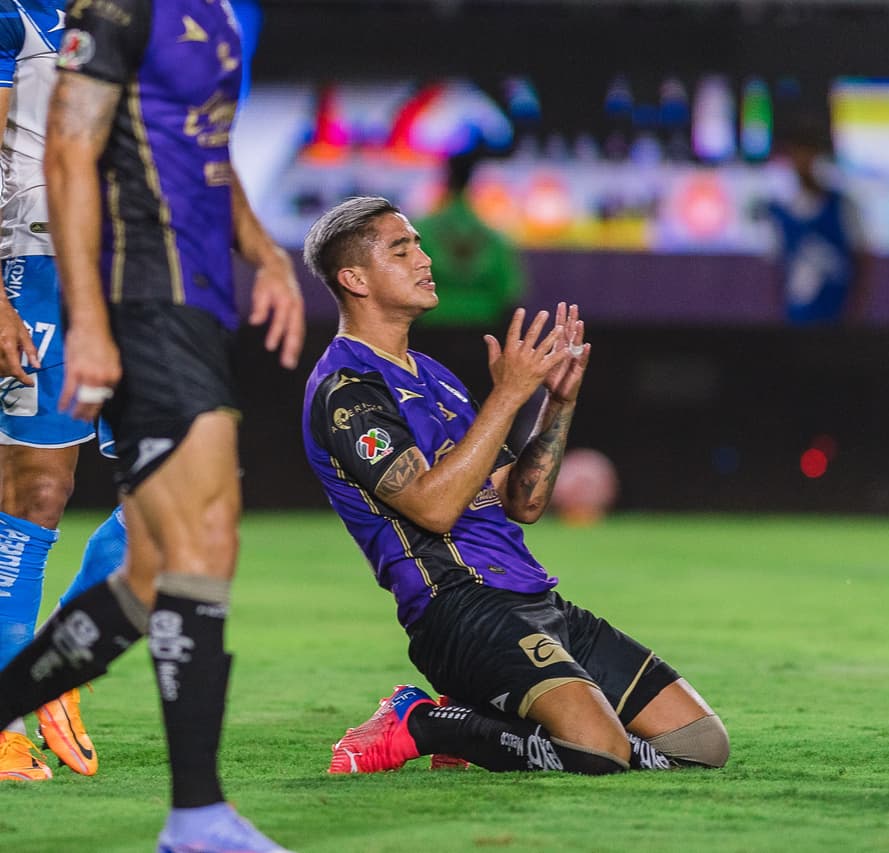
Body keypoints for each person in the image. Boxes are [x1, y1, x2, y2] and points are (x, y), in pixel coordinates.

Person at [0, 0, 305, 849]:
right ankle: (195, 814)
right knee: (122, 520)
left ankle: (57, 688)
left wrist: (265, 251)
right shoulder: (92, 13)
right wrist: (71, 315)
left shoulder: (216, 16)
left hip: (190, 294)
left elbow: (206, 151)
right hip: (95, 278)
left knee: (172, 547)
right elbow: (63, 155)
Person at [301, 196, 728, 776]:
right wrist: (507, 395)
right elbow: (432, 508)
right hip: (456, 607)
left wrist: (555, 402)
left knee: (701, 745)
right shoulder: (347, 390)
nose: (426, 260)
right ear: (354, 278)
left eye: (420, 245)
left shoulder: (435, 377)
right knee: (598, 753)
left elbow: (522, 502)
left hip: (533, 600)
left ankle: (478, 721)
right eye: (403, 249)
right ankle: (420, 721)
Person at [0, 0, 126, 782]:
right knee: (36, 489)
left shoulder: (139, 19)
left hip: (132, 270)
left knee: (176, 484)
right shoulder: (14, 17)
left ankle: (56, 667)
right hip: (35, 262)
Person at [766, 116, 870, 326]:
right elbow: (775, 272)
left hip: (837, 322)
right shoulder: (780, 210)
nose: (803, 161)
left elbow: (863, 261)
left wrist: (856, 314)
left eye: (809, 152)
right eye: (797, 153)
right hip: (795, 323)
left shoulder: (843, 206)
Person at [412, 149, 525, 327]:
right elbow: (509, 291)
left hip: (431, 329)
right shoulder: (493, 236)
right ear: (473, 182)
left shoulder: (420, 231)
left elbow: (405, 285)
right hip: (482, 330)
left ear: (445, 179)